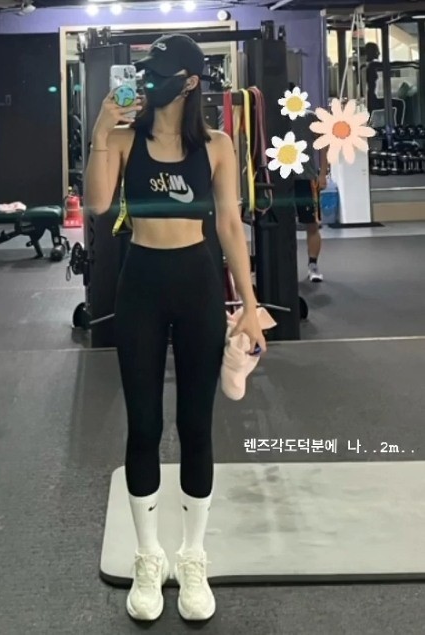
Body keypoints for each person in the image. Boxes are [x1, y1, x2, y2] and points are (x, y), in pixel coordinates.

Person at [84, 33, 266, 622]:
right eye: (147, 70)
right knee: (143, 425)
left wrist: (248, 304)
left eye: (161, 72)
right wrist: (101, 128)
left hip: (196, 284)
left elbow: (231, 225)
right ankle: (147, 556)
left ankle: (192, 556)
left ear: (189, 82)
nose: (149, 79)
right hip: (140, 282)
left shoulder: (217, 145)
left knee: (195, 425)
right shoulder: (122, 138)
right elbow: (97, 204)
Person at [289, 85, 328, 282]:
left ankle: (313, 265)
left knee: (312, 224)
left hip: (306, 178)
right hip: (280, 181)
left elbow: (323, 144)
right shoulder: (272, 118)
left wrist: (323, 174)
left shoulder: (309, 117)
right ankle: (285, 267)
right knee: (281, 225)